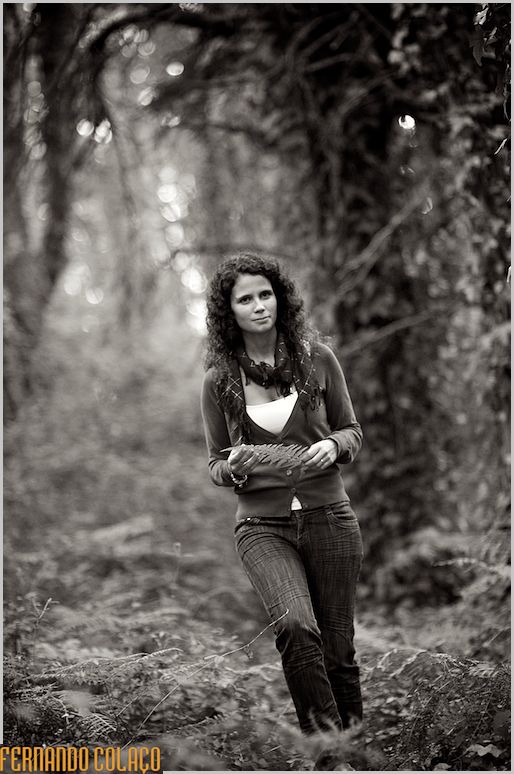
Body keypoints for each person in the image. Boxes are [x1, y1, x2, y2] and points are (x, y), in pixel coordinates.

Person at [200, 253, 364, 755]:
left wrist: (334, 446)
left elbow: (351, 430)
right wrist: (234, 468)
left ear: (280, 298)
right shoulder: (218, 380)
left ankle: (357, 752)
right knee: (295, 626)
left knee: (338, 652)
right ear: (230, 311)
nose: (258, 305)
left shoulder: (318, 360)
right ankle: (329, 756)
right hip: (261, 527)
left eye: (265, 294)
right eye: (244, 299)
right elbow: (213, 463)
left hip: (330, 517)